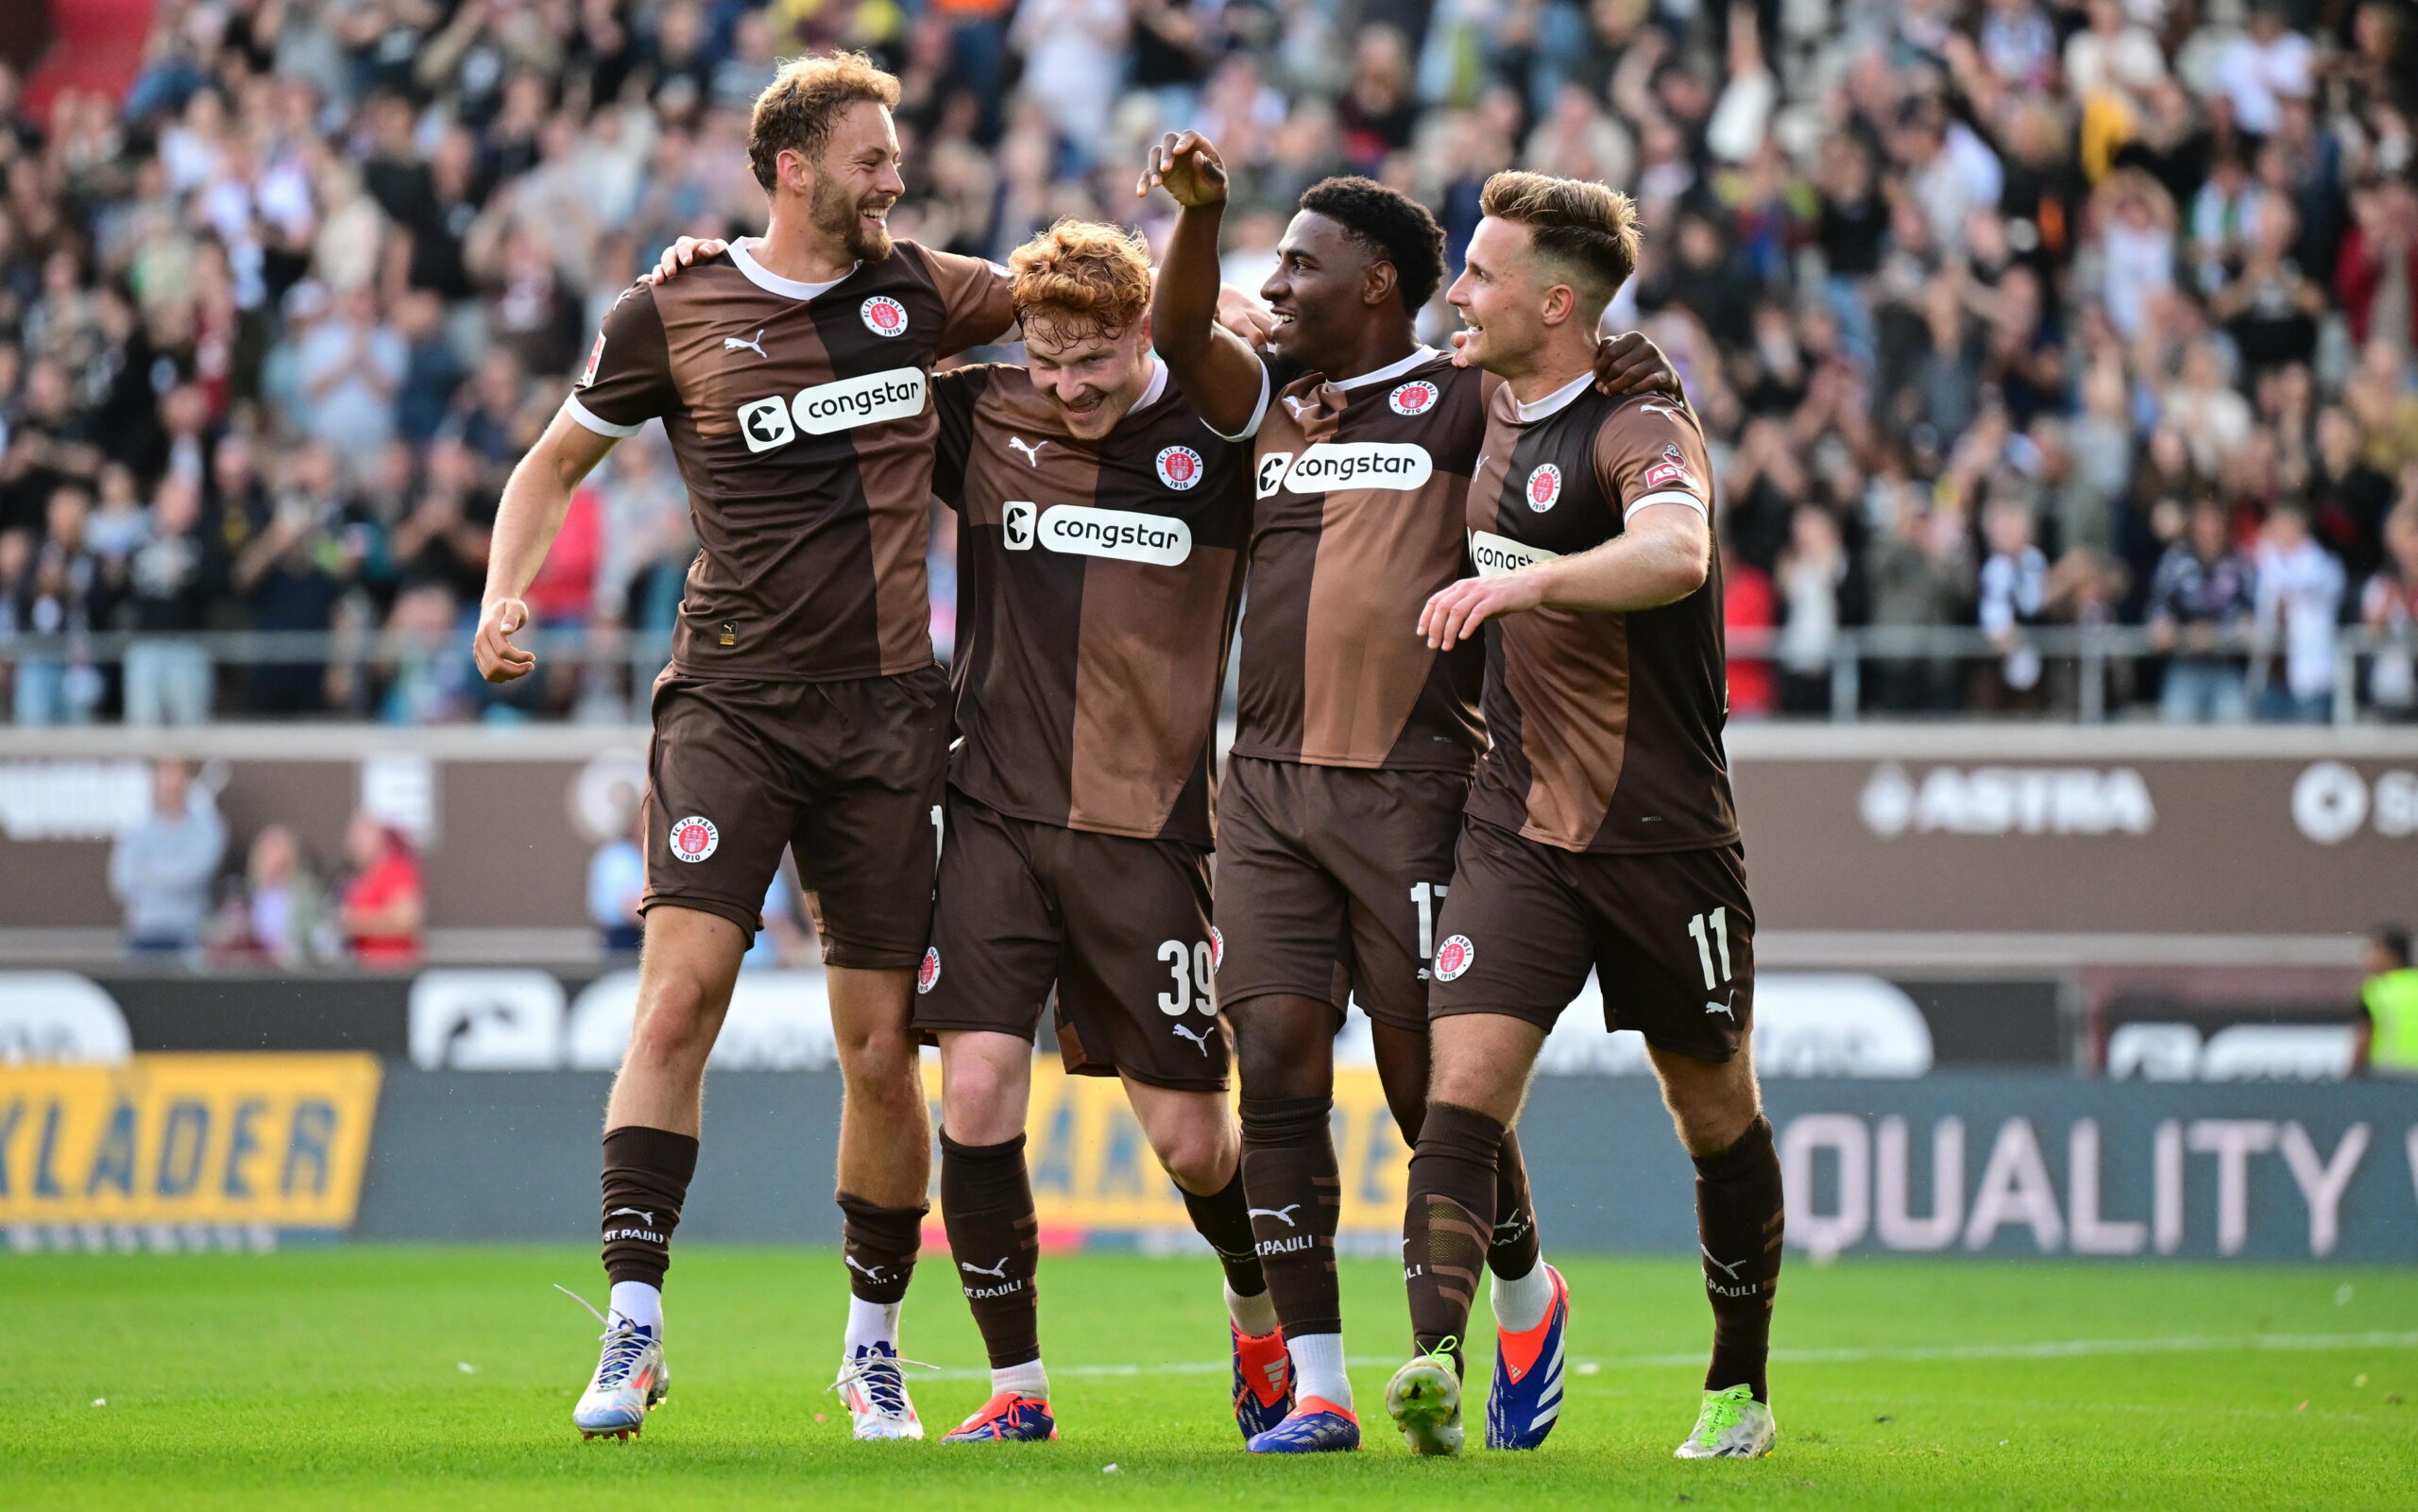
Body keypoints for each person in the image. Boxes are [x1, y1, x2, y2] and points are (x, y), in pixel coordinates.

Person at [476, 52, 1020, 1444]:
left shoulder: (922, 293)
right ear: (792, 166)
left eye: (895, 157)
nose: (895, 177)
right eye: (871, 157)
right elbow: (548, 465)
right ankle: (635, 1330)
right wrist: (505, 589)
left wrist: (1228, 287)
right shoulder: (672, 306)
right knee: (679, 997)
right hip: (730, 703)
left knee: (880, 1045)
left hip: (892, 716)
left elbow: (1085, 299)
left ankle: (873, 1350)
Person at [1140, 130, 1674, 1453]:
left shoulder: (1459, 394)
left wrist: (1642, 372)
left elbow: (1584, 381)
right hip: (1262, 789)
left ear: (1376, 285)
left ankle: (1525, 1295)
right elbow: (1173, 327)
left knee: (1427, 1081)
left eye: (1301, 264)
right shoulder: (1266, 396)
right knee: (1269, 1059)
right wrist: (1200, 219)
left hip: (1418, 781)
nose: (1276, 283)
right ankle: (1320, 1385)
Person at [1385, 173, 1779, 1461]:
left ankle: (1739, 1386)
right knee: (1464, 1095)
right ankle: (1437, 1365)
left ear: (1557, 305)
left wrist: (1527, 589)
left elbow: (1677, 553)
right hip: (1520, 829)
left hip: (1665, 840)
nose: (1460, 291)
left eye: (1483, 277)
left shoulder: (1636, 423)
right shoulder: (1478, 396)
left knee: (1713, 1110)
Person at [911, 221, 1274, 1444]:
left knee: (1190, 1131)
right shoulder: (986, 412)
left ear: (1140, 338)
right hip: (996, 817)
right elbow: (848, 347)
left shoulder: (1214, 438)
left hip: (1149, 833)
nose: (1067, 387)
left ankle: (1256, 1306)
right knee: (973, 1089)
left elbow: (1241, 364)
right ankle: (1017, 1388)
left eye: (1095, 362)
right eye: (1048, 360)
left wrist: (1211, 269)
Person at [108, 758, 226, 957]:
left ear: (187, 781)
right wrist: (174, 869)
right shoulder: (137, 827)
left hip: (189, 934)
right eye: (165, 776)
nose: (171, 784)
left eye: (176, 776)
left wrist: (148, 870)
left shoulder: (204, 827)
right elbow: (123, 881)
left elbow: (195, 873)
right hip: (144, 934)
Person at [338, 812, 424, 967]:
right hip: (365, 968)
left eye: (361, 837)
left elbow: (405, 921)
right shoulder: (359, 877)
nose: (355, 844)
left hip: (392, 968)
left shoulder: (396, 869)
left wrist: (353, 921)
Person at [2351, 925, 2418, 1077]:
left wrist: (2350, 1077)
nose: (2367, 957)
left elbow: (2363, 1039)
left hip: (2387, 1079)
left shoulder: (2375, 990)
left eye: (2374, 949)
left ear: (2392, 955)